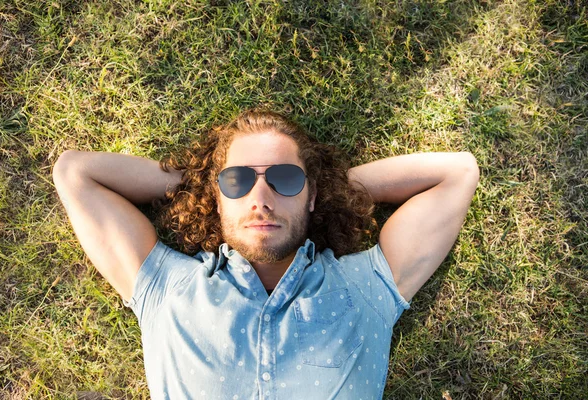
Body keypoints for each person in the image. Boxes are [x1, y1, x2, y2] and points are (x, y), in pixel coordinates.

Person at [52, 109, 479, 399]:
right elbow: (76, 173)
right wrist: (200, 182)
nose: (261, 197)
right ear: (217, 199)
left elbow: (456, 174)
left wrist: (327, 187)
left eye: (286, 179)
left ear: (311, 195)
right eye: (237, 180)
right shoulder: (169, 292)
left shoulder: (364, 292)